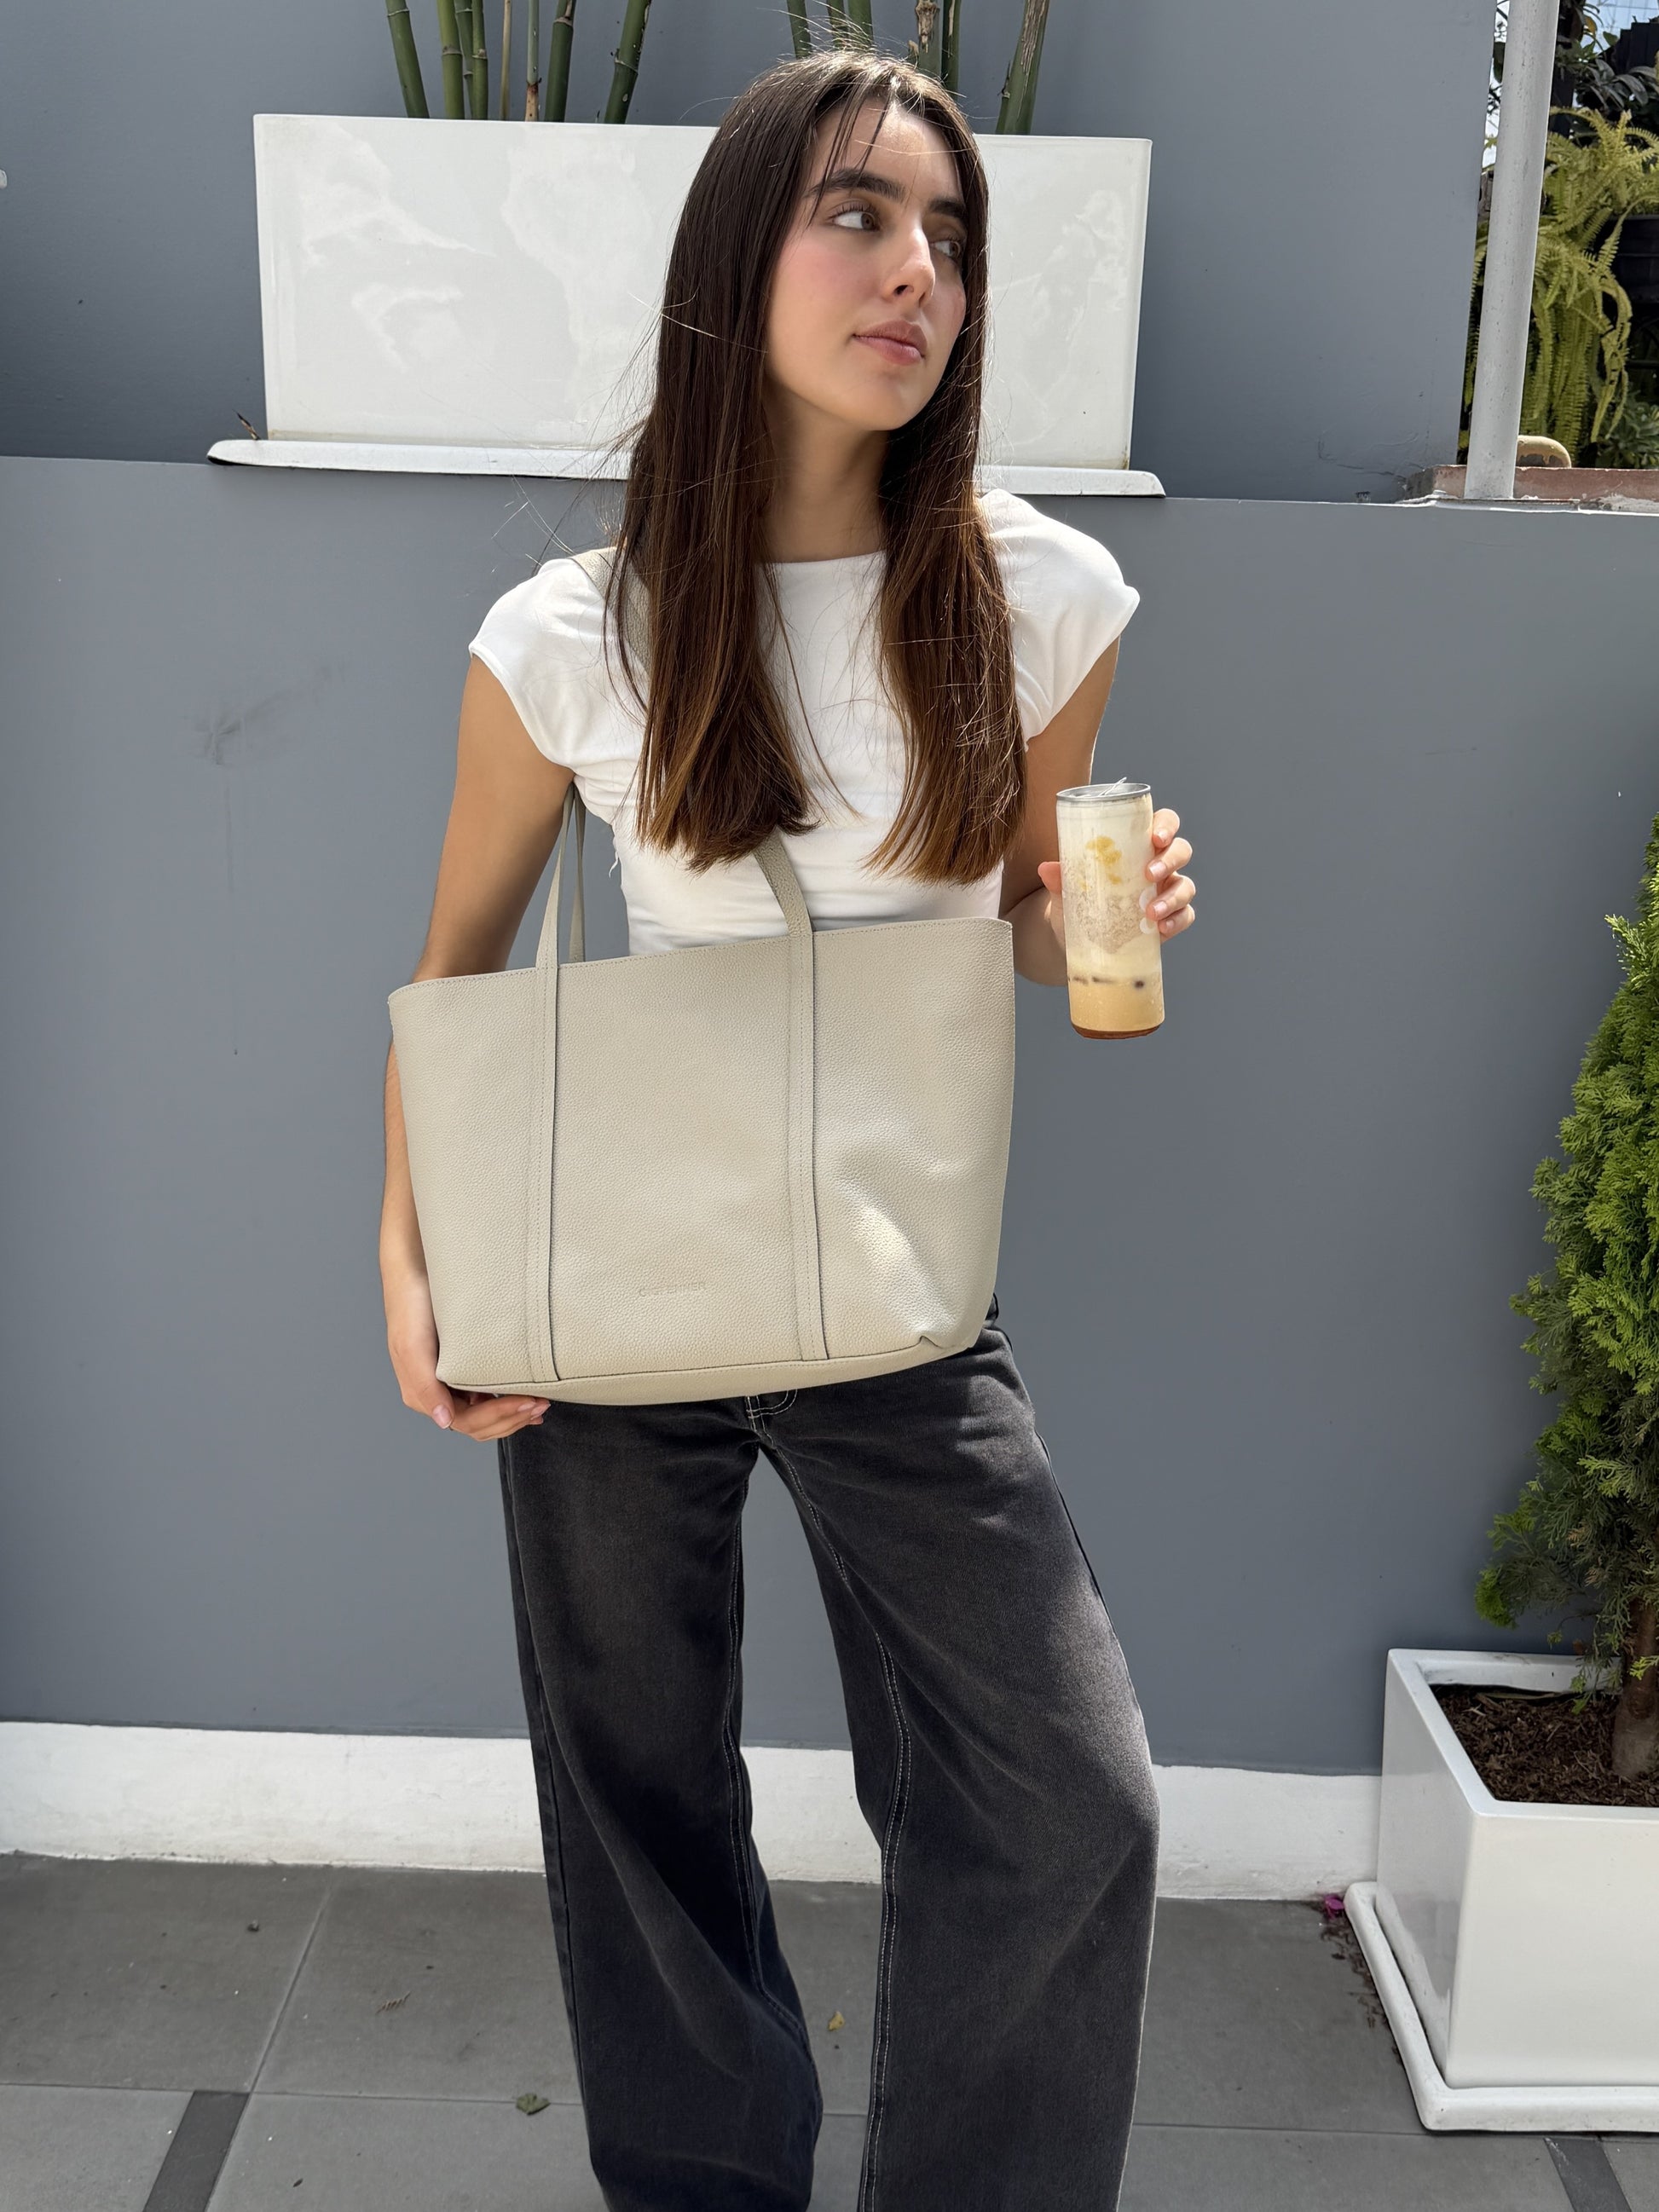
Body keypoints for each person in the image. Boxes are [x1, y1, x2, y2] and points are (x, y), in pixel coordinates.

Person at [380, 48, 1197, 2212]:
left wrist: (1097, 915)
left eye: (948, 234)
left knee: (1068, 1797)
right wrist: (406, 1251)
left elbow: (1026, 933)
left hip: (892, 1280)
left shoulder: (1040, 596)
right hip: (608, 1284)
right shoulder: (571, 631)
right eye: (857, 214)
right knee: (636, 1793)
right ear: (737, 256)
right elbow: (454, 970)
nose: (914, 268)